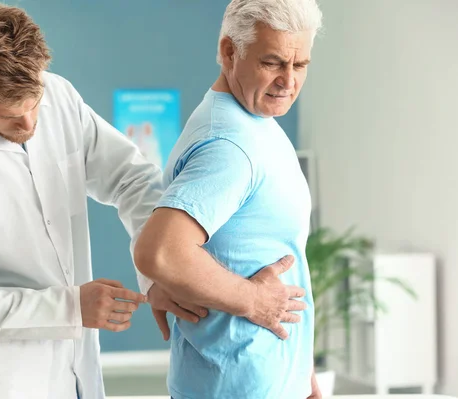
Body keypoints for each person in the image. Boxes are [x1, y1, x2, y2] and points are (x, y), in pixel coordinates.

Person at [0, 4, 307, 398]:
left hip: (78, 367)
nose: (29, 124)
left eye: (34, 104)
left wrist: (159, 279)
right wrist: (69, 307)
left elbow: (130, 179)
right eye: (8, 115)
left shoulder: (58, 97)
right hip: (0, 379)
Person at [134, 0, 323, 398]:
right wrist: (254, 300)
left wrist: (298, 374)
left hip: (264, 381)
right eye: (272, 63)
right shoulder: (230, 145)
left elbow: (253, 246)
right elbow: (160, 252)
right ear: (228, 52)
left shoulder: (255, 121)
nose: (288, 81)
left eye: (300, 65)